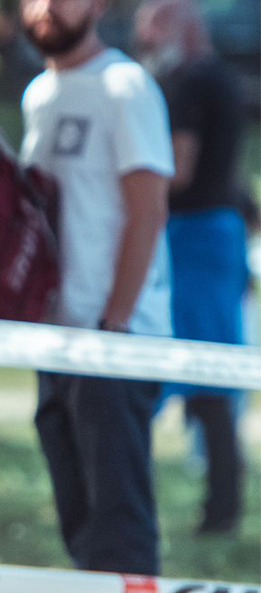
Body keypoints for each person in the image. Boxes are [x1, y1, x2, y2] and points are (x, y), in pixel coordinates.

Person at [19, 0, 174, 574]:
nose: (46, 9)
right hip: (57, 335)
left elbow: (148, 211)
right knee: (78, 515)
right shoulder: (39, 93)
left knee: (118, 523)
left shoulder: (124, 85)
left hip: (114, 339)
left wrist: (114, 324)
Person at [134, 0, 249, 536]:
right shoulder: (219, 77)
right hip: (216, 233)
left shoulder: (186, 82)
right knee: (207, 379)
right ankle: (218, 510)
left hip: (195, 237)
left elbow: (177, 170)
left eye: (152, 20)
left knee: (196, 377)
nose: (143, 32)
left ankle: (217, 511)